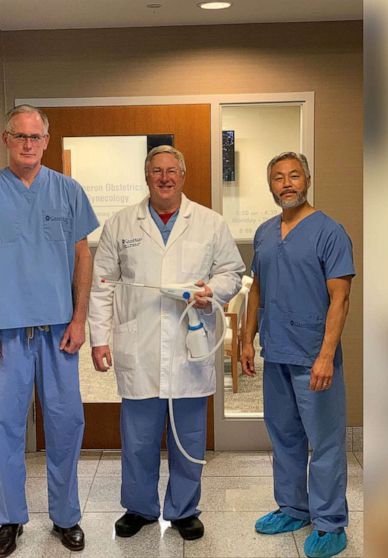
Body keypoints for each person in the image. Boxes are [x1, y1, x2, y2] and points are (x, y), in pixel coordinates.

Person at [0, 104, 98, 557]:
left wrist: (79, 318)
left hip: (58, 331)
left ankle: (66, 515)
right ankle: (10, 518)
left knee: (67, 421)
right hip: (6, 333)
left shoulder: (68, 192)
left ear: (46, 141)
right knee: (6, 427)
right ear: (6, 139)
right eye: (20, 136)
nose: (28, 144)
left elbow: (83, 257)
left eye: (36, 137)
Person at [89, 145, 244, 541]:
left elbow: (231, 270)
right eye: (156, 171)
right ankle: (139, 509)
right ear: (146, 177)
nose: (164, 177)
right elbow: (102, 285)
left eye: (171, 170)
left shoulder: (209, 223)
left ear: (183, 175)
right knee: (138, 440)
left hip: (188, 344)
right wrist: (99, 339)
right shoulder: (121, 224)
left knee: (187, 437)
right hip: (137, 346)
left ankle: (184, 510)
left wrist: (213, 290)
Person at [240, 152, 355, 558]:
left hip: (313, 357)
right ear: (270, 185)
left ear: (306, 179)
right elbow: (257, 289)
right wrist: (246, 336)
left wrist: (326, 356)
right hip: (277, 352)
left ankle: (330, 523)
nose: (286, 183)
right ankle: (293, 507)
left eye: (293, 176)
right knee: (285, 437)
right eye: (277, 178)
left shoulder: (329, 232)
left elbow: (340, 299)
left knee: (323, 442)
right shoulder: (265, 233)